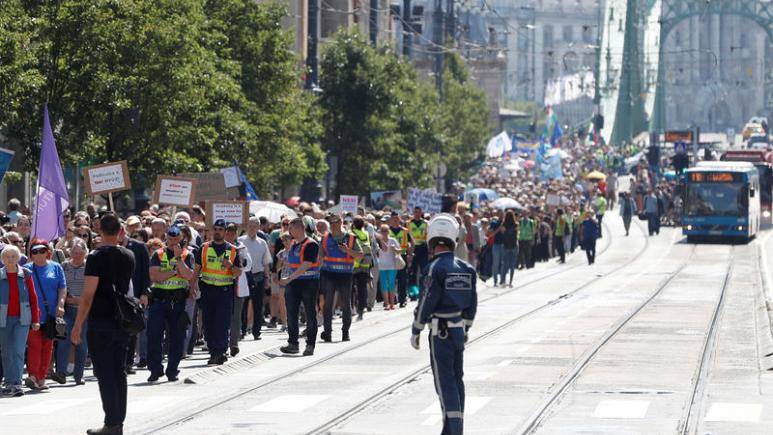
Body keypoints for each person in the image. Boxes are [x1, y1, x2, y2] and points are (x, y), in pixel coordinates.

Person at [410, 214, 477, 435]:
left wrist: (416, 329)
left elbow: (427, 301)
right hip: (458, 329)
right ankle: (453, 427)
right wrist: (465, 327)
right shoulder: (466, 268)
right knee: (457, 379)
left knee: (444, 381)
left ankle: (454, 430)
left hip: (440, 331)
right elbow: (472, 304)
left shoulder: (434, 268)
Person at [71, 212, 136, 435]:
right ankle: (118, 422)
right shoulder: (129, 255)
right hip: (123, 320)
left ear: (99, 231)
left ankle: (112, 423)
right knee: (119, 371)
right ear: (120, 232)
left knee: (105, 373)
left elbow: (88, 295)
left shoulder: (96, 257)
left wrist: (78, 324)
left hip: (101, 320)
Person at [145, 225, 194, 382]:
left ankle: (172, 370)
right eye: (170, 239)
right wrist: (173, 272)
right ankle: (155, 369)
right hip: (159, 301)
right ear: (166, 238)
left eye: (176, 239)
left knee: (177, 338)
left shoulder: (187, 255)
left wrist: (179, 259)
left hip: (177, 302)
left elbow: (188, 275)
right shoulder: (158, 254)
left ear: (181, 239)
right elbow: (154, 276)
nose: (173, 242)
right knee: (153, 336)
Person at [195, 219, 240, 365]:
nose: (218, 231)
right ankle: (214, 351)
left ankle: (219, 352)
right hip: (207, 290)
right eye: (215, 229)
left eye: (221, 229)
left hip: (224, 291)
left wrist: (230, 265)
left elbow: (238, 272)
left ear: (226, 232)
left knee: (222, 322)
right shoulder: (204, 248)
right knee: (208, 323)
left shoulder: (233, 250)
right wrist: (192, 286)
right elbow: (196, 270)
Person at [26, 238, 67, 391]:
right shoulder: (26, 269)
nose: (39, 254)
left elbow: (62, 288)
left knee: (47, 346)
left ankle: (42, 377)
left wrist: (61, 304)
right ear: (31, 254)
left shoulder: (56, 267)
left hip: (51, 315)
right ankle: (33, 376)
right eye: (35, 251)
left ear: (48, 252)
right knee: (34, 346)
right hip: (33, 315)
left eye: (42, 250)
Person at [0, 245, 40, 397]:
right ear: (2, 259)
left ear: (18, 258)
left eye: (13, 257)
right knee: (6, 351)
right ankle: (9, 382)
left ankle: (16, 383)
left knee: (18, 350)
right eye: (7, 257)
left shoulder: (26, 274)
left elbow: (33, 297)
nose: (10, 260)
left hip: (22, 318)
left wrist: (35, 320)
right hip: (3, 318)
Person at [279, 218, 320, 356]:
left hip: (308, 283)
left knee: (310, 314)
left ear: (299, 228)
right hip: (294, 284)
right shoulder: (294, 245)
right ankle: (293, 343)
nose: (289, 231)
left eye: (291, 228)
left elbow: (306, 265)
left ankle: (310, 345)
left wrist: (289, 278)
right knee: (291, 313)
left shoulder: (311, 244)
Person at [320, 214, 363, 343]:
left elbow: (360, 256)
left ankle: (345, 332)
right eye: (331, 223)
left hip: (345, 275)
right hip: (329, 274)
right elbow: (319, 257)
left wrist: (348, 251)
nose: (333, 225)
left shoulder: (350, 238)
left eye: (336, 222)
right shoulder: (325, 238)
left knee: (346, 304)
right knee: (327, 304)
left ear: (341, 222)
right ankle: (327, 333)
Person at [52, 238, 89, 386]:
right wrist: (65, 298)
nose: (78, 255)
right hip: (67, 310)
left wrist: (79, 300)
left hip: (83, 310)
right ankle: (61, 372)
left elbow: (93, 289)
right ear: (70, 252)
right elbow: (59, 285)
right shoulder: (64, 266)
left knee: (81, 342)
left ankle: (79, 375)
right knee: (64, 340)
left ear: (85, 253)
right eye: (75, 252)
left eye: (80, 253)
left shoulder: (90, 267)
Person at [238, 218, 272, 341]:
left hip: (259, 276)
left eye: (254, 226)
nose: (252, 228)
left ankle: (256, 331)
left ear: (258, 227)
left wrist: (267, 279)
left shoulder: (262, 243)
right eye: (250, 225)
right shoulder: (240, 241)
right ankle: (242, 329)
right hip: (244, 276)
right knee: (243, 304)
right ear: (246, 227)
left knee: (258, 305)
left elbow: (266, 263)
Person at [226, 223, 252, 356]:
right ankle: (222, 344)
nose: (230, 234)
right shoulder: (218, 247)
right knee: (223, 317)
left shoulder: (241, 247)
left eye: (233, 232)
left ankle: (233, 344)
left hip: (237, 288)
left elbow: (248, 266)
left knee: (235, 317)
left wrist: (241, 259)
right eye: (228, 232)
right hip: (221, 286)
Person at [388, 212, 412, 308]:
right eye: (393, 218)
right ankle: (393, 299)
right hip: (390, 257)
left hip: (402, 256)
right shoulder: (387, 231)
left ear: (399, 219)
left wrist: (410, 254)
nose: (395, 220)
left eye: (396, 218)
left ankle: (402, 299)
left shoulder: (405, 231)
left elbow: (411, 243)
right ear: (390, 220)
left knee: (402, 279)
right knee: (391, 279)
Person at [351, 216, 373, 321]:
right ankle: (361, 310)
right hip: (365, 264)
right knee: (362, 288)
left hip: (354, 264)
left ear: (354, 224)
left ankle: (352, 308)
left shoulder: (352, 233)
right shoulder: (366, 234)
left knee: (351, 288)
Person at [376, 225, 400, 309]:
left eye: (386, 230)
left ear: (388, 231)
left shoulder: (393, 240)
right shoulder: (378, 241)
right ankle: (386, 304)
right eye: (382, 231)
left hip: (392, 266)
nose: (384, 232)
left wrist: (395, 249)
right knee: (384, 285)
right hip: (382, 266)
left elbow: (399, 251)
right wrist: (381, 241)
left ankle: (392, 304)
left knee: (391, 284)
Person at [408, 207, 429, 298]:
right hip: (413, 248)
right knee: (413, 271)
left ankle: (423, 290)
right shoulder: (409, 223)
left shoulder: (425, 223)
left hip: (423, 248)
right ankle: (413, 293)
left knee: (424, 270)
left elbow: (428, 237)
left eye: (418, 212)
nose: (417, 213)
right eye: (415, 212)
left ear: (421, 213)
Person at [500, 211, 518, 286]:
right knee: (512, 265)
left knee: (505, 264)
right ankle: (510, 281)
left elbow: (502, 234)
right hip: (514, 246)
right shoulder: (516, 224)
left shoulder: (503, 225)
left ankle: (503, 280)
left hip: (506, 246)